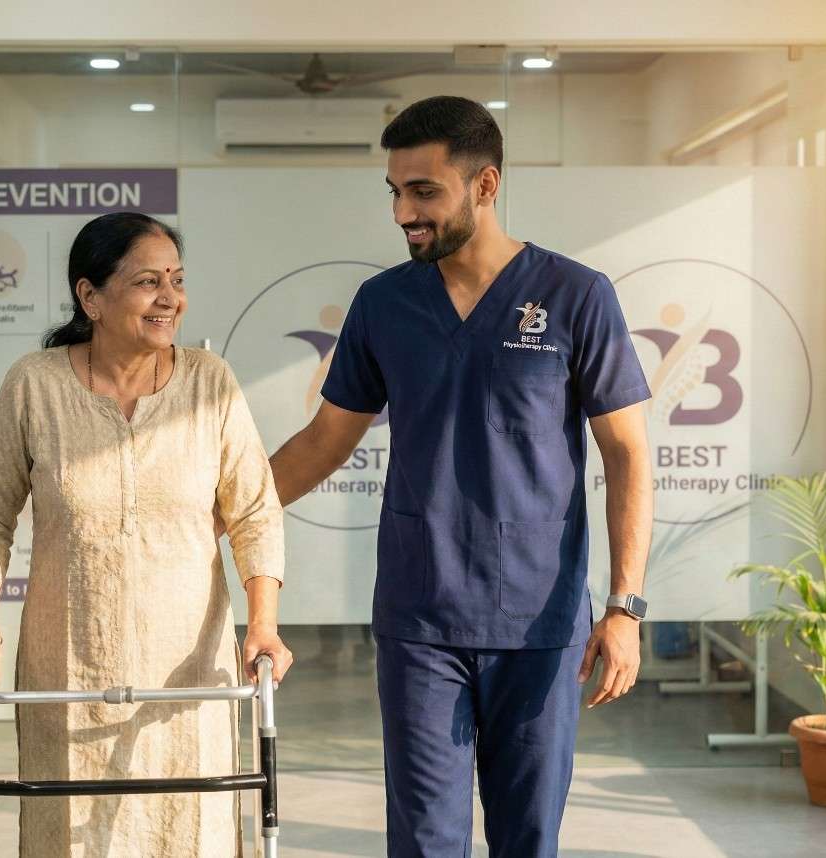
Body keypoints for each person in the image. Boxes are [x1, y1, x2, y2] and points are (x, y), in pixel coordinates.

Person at [269, 96, 653, 858]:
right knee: (423, 841)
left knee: (527, 838)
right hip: (421, 620)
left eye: (423, 192)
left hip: (539, 624)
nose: (403, 213)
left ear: (485, 185)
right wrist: (213, 513)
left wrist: (625, 607)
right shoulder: (384, 305)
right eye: (395, 191)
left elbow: (628, 453)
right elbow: (324, 440)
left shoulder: (577, 296)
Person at [0, 212, 292, 858]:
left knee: (188, 833)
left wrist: (264, 624)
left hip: (187, 678)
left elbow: (254, 511)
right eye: (147, 282)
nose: (171, 298)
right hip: (70, 670)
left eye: (177, 280)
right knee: (71, 837)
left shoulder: (208, 384)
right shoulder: (35, 385)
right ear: (90, 297)